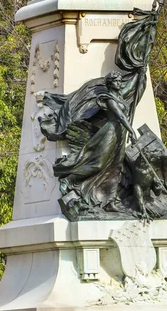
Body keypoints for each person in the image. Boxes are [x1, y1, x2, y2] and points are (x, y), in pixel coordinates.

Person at [53, 71, 137, 212]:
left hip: (120, 134)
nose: (119, 83)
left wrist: (139, 74)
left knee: (116, 168)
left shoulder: (120, 97)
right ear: (110, 84)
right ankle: (70, 180)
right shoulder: (109, 99)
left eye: (120, 81)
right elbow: (121, 116)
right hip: (110, 132)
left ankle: (110, 201)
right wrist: (131, 130)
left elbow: (129, 88)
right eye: (116, 81)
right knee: (98, 164)